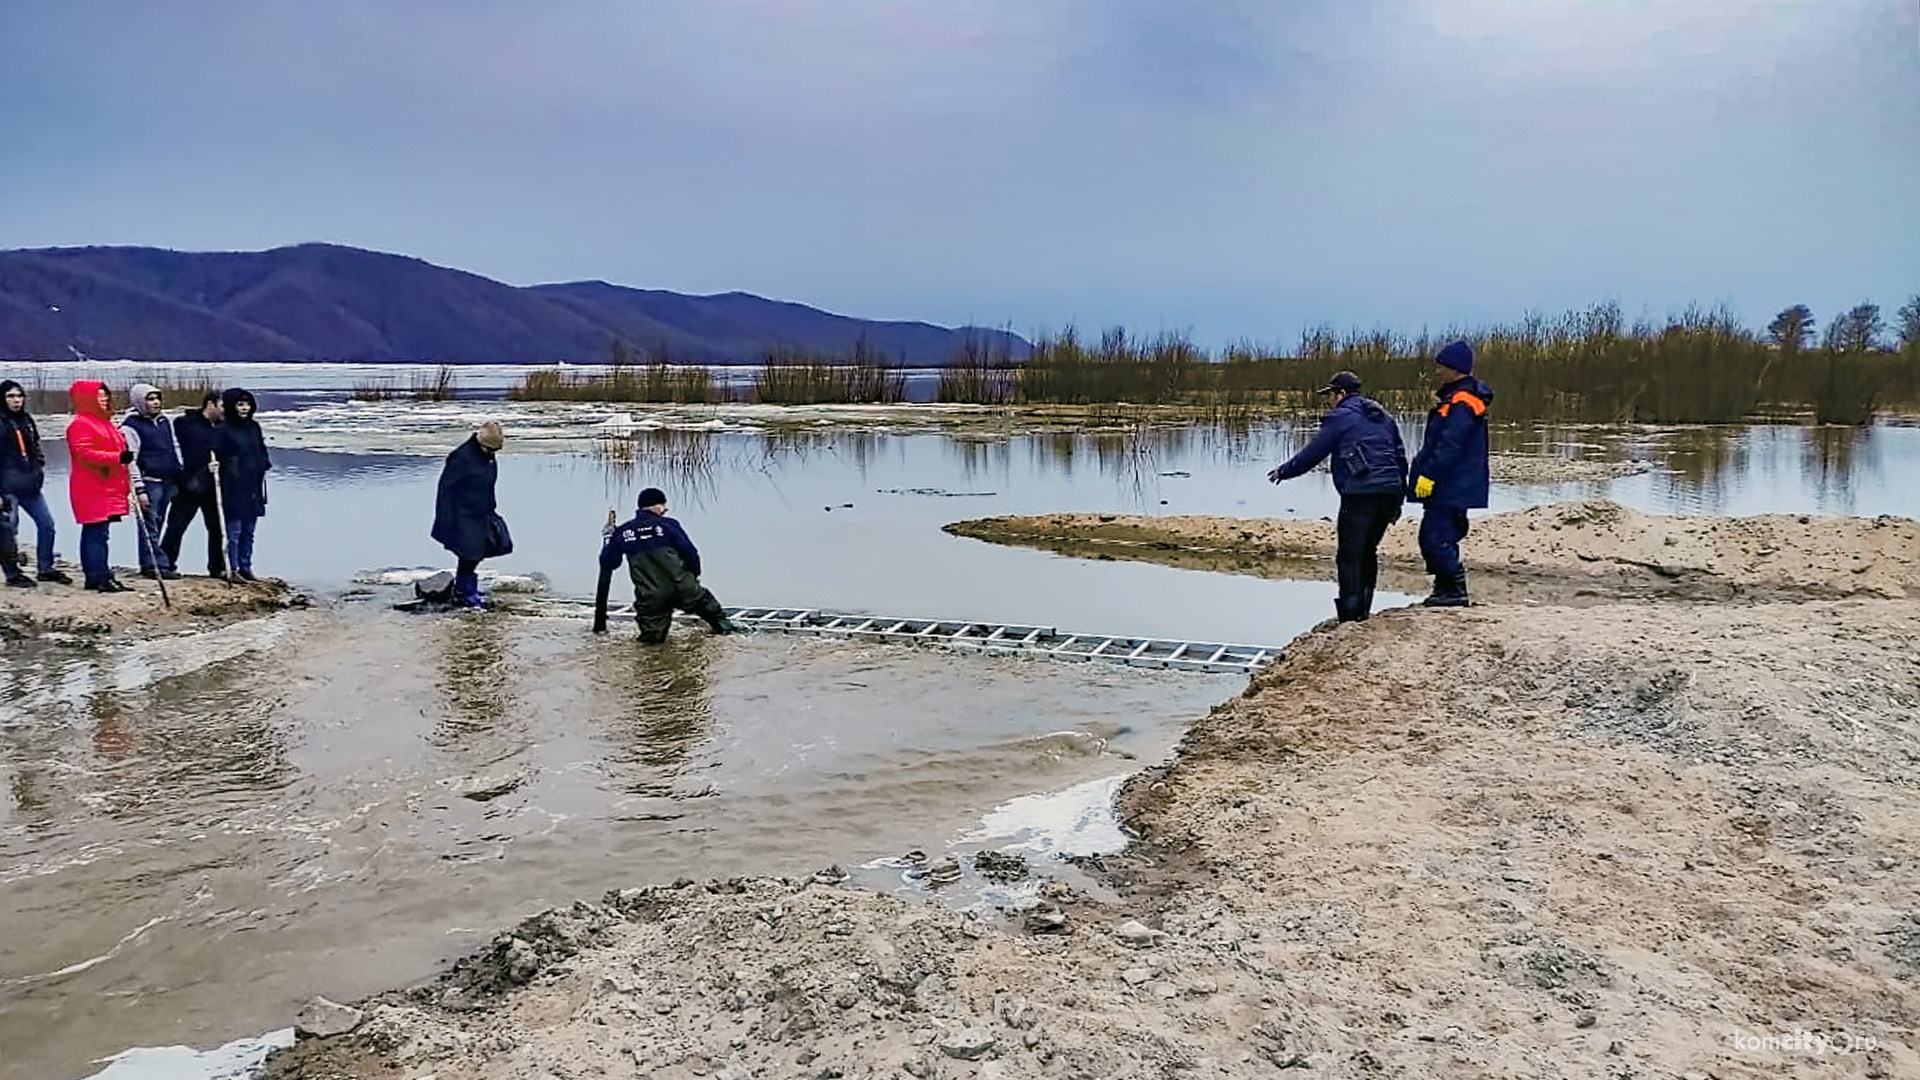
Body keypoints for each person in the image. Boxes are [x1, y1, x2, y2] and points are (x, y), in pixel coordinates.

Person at [1267, 371, 1408, 622]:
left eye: (1330, 395)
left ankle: (1350, 615)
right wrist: (1399, 496)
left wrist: (1284, 471)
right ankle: (1363, 609)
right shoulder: (1383, 416)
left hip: (1360, 494)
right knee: (1368, 551)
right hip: (1389, 491)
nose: (1329, 401)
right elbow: (1400, 456)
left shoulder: (1340, 417)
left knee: (1350, 554)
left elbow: (1314, 452)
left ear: (1340, 394)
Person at [1408, 340, 1493, 607]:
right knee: (1438, 536)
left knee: (1436, 537)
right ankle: (1446, 590)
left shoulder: (1463, 402)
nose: (1437, 372)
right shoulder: (1456, 398)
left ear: (1455, 369)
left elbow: (1450, 443)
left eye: (1441, 366)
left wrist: (1430, 474)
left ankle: (1454, 592)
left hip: (1452, 483)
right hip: (1453, 483)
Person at [595, 487, 741, 643]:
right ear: (656, 506)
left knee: (651, 643)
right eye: (664, 506)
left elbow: (609, 563)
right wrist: (692, 578)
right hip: (684, 587)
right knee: (720, 623)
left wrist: (608, 539)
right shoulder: (669, 525)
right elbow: (691, 554)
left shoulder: (623, 532)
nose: (665, 510)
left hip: (651, 597)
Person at [64, 380, 135, 592]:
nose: (104, 400)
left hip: (106, 485)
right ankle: (98, 575)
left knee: (99, 532)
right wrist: (117, 457)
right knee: (96, 532)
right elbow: (84, 453)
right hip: (91, 486)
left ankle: (98, 575)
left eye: (105, 395)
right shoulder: (80, 424)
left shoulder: (106, 423)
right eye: (99, 396)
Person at [430, 420, 511, 608]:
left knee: (491, 544)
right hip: (462, 513)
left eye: (495, 451)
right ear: (480, 442)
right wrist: (450, 518)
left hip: (483, 511)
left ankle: (466, 585)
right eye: (489, 449)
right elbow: (446, 488)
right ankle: (464, 590)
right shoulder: (461, 457)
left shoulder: (487, 456)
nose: (492, 454)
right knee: (469, 552)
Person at [1, 380, 71, 585]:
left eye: (19, 396)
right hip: (7, 487)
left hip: (31, 486)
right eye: (11, 396)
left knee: (47, 524)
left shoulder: (26, 420)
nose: (16, 400)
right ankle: (13, 574)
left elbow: (36, 446)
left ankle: (45, 568)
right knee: (8, 531)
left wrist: (39, 466)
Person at [119, 382, 184, 580]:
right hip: (149, 480)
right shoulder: (131, 426)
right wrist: (139, 488)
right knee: (150, 525)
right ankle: (153, 565)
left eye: (157, 399)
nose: (155, 403)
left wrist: (179, 466)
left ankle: (157, 562)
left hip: (167, 479)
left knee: (159, 521)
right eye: (150, 399)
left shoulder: (165, 421)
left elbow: (174, 445)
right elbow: (131, 460)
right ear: (140, 402)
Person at [160, 392, 228, 577]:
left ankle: (217, 567)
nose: (225, 410)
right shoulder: (185, 423)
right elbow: (179, 451)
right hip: (188, 485)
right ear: (210, 404)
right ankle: (165, 564)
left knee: (217, 528)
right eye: (222, 406)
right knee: (176, 526)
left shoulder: (224, 427)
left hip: (214, 486)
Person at [215, 388, 271, 581]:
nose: (244, 408)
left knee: (249, 530)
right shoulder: (223, 429)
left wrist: (263, 464)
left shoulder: (253, 427)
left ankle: (246, 566)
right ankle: (233, 568)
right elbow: (219, 455)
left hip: (253, 485)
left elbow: (261, 449)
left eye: (247, 404)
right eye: (240, 404)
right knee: (234, 531)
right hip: (232, 486)